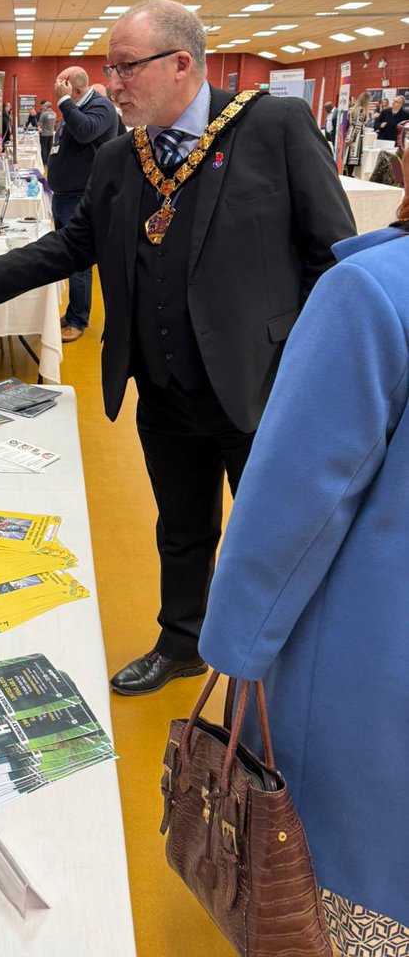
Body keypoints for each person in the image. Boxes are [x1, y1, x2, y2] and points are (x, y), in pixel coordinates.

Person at [0, 0, 355, 696]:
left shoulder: (272, 128)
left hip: (263, 385)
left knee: (280, 534)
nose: (113, 83)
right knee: (181, 526)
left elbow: (332, 257)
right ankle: (181, 643)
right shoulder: (119, 157)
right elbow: (75, 245)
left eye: (125, 67)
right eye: (110, 68)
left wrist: (309, 370)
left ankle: (291, 675)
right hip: (163, 387)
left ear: (181, 63)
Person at [199, 164, 409, 947]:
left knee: (329, 900)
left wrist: (233, 646)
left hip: (367, 673)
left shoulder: (373, 293)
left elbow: (295, 500)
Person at [48, 68, 122, 343]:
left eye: (62, 88)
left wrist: (64, 102)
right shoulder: (76, 107)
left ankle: (78, 319)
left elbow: (85, 132)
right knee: (67, 258)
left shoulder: (101, 107)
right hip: (64, 196)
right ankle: (73, 310)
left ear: (75, 89)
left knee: (79, 260)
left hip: (81, 197)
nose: (58, 93)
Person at [344, 89, 372, 176]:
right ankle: (349, 175)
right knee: (352, 158)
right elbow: (358, 126)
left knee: (347, 156)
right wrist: (353, 139)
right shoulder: (362, 110)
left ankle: (347, 174)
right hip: (356, 136)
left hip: (350, 132)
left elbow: (349, 124)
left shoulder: (351, 109)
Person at [38, 100, 56, 169]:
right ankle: (48, 162)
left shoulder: (44, 114)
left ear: (46, 106)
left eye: (44, 106)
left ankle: (44, 162)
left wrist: (40, 128)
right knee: (49, 148)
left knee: (44, 148)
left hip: (44, 134)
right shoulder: (54, 114)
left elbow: (40, 123)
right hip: (51, 133)